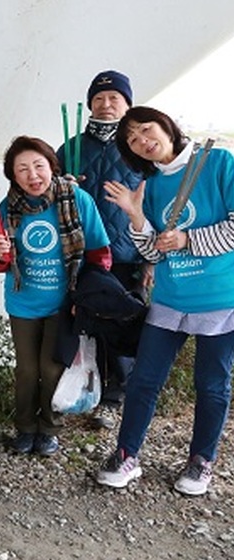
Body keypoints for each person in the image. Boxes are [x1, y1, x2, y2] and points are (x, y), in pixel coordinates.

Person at [96, 106, 234, 496]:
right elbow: (155, 254)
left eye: (145, 128)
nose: (143, 140)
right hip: (171, 298)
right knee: (143, 379)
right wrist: (136, 217)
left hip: (221, 298)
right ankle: (126, 454)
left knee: (211, 384)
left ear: (166, 126)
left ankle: (201, 461)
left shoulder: (219, 162)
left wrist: (190, 240)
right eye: (133, 139)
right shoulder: (152, 185)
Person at [0, 136, 111, 456]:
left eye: (39, 166)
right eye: (23, 169)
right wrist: (1, 253)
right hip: (23, 302)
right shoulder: (6, 209)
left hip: (65, 303)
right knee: (27, 370)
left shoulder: (77, 199)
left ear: (52, 167)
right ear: (13, 175)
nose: (33, 175)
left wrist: (88, 295)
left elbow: (100, 251)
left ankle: (50, 429)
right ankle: (26, 427)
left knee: (52, 367)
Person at [56, 70, 143, 430]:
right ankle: (73, 389)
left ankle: (114, 397)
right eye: (99, 99)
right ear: (90, 103)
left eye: (114, 99)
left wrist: (149, 257)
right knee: (76, 323)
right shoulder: (70, 147)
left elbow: (151, 202)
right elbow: (47, 191)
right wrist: (64, 187)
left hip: (126, 254)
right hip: (81, 254)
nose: (106, 106)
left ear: (127, 105)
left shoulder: (140, 148)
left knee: (120, 325)